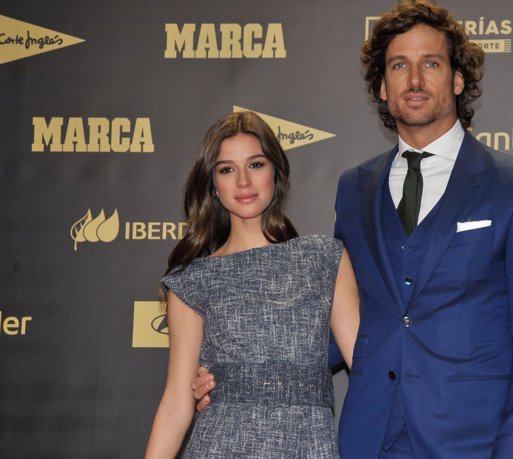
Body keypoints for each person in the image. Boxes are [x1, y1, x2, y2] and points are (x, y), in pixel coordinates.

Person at [193, 1, 513, 457]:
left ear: (457, 79)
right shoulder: (355, 187)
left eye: (431, 63)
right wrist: (237, 376)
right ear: (383, 88)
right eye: (399, 66)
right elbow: (335, 321)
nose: (415, 80)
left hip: (473, 441)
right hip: (369, 439)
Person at [144, 111, 359, 458]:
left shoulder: (324, 258)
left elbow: (364, 368)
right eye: (227, 170)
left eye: (256, 165)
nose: (243, 181)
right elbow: (176, 403)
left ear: (276, 172)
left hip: (308, 446)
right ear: (213, 185)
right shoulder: (193, 281)